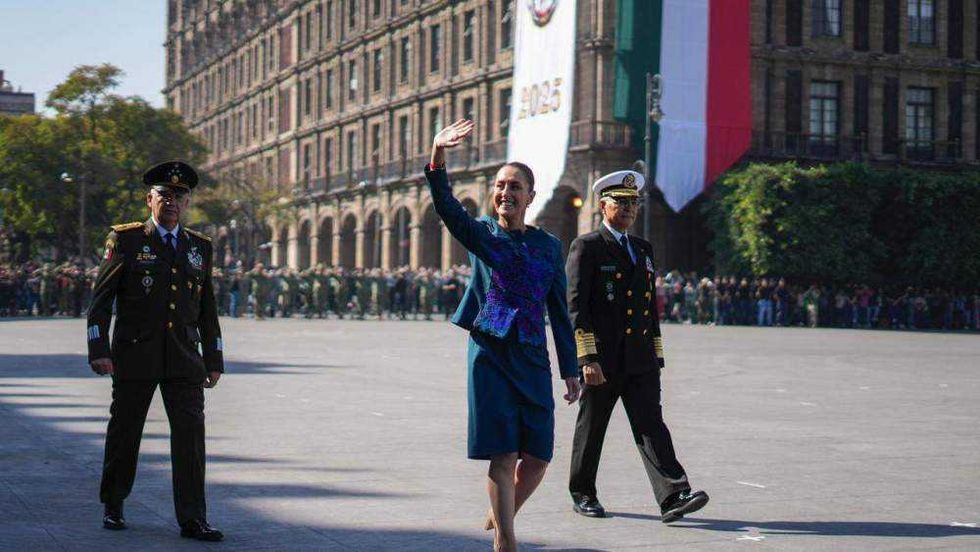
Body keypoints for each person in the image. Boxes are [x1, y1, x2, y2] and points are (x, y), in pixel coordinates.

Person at [425, 119, 581, 552]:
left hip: (532, 356)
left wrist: (571, 367)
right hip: (490, 353)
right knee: (504, 453)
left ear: (531, 196)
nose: (504, 193)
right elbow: (445, 205)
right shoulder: (482, 234)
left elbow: (560, 312)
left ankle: (500, 513)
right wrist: (438, 154)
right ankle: (506, 542)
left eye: (515, 187)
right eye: (499, 185)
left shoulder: (549, 247)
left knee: (538, 459)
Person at [86, 161, 224, 541]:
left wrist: (214, 358)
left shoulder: (199, 247)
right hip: (135, 356)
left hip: (184, 358)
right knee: (125, 433)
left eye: (180, 195)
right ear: (150, 199)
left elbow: (207, 308)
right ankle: (113, 503)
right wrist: (99, 349)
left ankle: (193, 518)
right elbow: (100, 302)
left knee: (191, 440)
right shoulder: (126, 239)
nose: (173, 201)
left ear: (187, 202)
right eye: (165, 194)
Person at [565, 170, 708, 523]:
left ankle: (673, 495)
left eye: (634, 203)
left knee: (652, 425)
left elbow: (648, 309)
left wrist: (656, 353)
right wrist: (587, 357)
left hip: (640, 358)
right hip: (604, 359)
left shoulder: (643, 249)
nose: (629, 208)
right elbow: (576, 307)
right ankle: (583, 492)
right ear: (603, 205)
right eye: (621, 202)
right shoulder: (588, 246)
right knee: (593, 426)